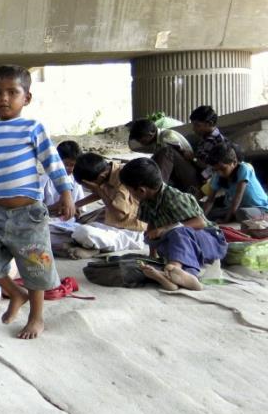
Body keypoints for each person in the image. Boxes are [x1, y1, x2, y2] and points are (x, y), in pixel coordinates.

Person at [0, 65, 73, 339]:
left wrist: (66, 192)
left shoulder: (32, 128)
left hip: (29, 214)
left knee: (35, 266)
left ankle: (36, 318)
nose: (4, 99)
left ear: (26, 97)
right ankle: (16, 294)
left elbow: (52, 161)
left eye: (12, 92)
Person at [119, 157, 228, 291]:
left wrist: (165, 229)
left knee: (178, 232)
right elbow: (152, 226)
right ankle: (174, 279)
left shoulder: (174, 197)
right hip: (183, 244)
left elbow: (200, 223)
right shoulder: (146, 201)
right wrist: (152, 255)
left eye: (130, 191)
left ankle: (175, 271)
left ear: (141, 190)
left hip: (211, 242)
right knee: (160, 239)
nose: (130, 195)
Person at [69, 153, 146, 255]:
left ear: (101, 176)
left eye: (90, 186)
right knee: (75, 227)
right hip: (111, 224)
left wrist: (98, 189)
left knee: (84, 232)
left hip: (129, 232)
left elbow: (119, 215)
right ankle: (93, 246)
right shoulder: (108, 173)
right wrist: (75, 205)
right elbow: (100, 192)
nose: (90, 189)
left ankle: (94, 249)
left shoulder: (122, 179)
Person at [128, 118, 200, 195]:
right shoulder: (159, 141)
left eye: (141, 140)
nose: (141, 143)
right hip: (180, 177)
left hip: (192, 177)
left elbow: (175, 158)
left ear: (150, 134)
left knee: (167, 151)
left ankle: (156, 189)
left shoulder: (167, 136)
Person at [203, 142, 268, 223]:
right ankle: (231, 214)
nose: (219, 173)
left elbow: (237, 198)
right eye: (216, 170)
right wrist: (203, 219)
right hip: (235, 207)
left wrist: (225, 220)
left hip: (259, 207)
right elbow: (210, 200)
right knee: (208, 213)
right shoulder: (217, 175)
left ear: (234, 162)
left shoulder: (244, 168)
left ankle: (264, 216)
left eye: (223, 169)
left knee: (242, 214)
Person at [40, 140, 86, 215]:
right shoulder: (43, 181)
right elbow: (34, 211)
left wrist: (76, 210)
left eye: (72, 165)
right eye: (66, 164)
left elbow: (81, 207)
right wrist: (53, 208)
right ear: (57, 162)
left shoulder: (75, 181)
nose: (69, 168)